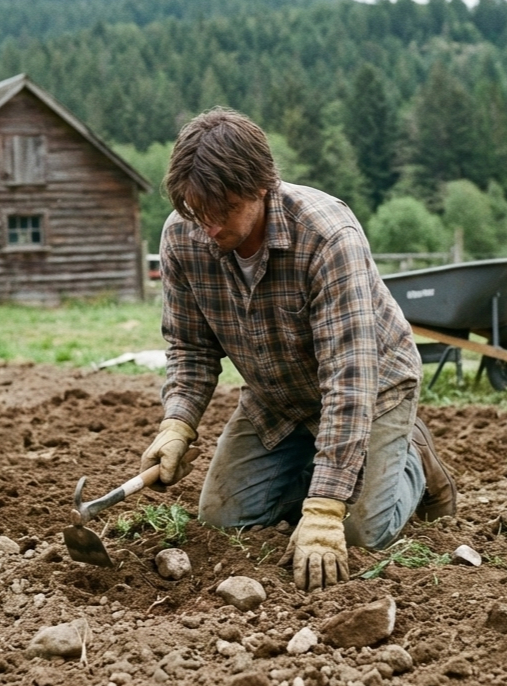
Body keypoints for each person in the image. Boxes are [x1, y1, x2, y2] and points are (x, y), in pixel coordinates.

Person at [140, 108, 456, 592]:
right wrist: (176, 424)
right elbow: (189, 346)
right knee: (223, 520)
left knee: (358, 535)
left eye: (219, 211)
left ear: (261, 187)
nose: (206, 227)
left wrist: (327, 510)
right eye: (194, 209)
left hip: (373, 392)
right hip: (279, 396)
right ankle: (331, 466)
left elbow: (349, 380)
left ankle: (409, 455)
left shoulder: (327, 237)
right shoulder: (182, 238)